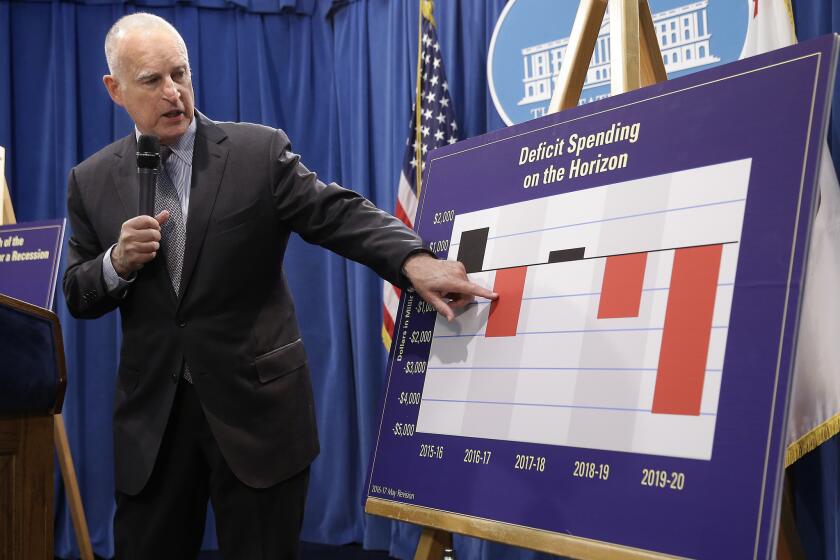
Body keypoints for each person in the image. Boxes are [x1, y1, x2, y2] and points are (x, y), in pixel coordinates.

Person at [63, 13, 495, 559]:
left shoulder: (256, 153)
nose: (174, 93)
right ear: (115, 89)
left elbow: (336, 213)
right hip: (154, 430)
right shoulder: (92, 179)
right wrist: (117, 263)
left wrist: (412, 260)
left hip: (256, 418)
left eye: (181, 74)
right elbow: (78, 293)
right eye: (152, 80)